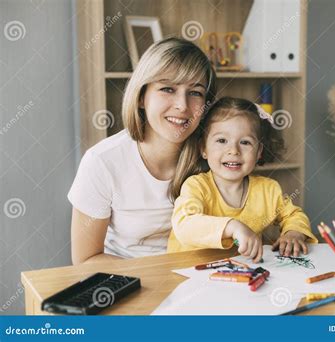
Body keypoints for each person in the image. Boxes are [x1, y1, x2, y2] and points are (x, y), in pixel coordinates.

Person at [68, 38, 216, 264]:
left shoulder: (213, 156)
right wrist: (159, 277)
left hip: (198, 279)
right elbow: (85, 259)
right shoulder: (102, 161)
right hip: (125, 281)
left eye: (195, 92)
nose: (183, 106)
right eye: (167, 89)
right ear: (140, 97)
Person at [168, 97, 317, 262]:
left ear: (259, 151)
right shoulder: (196, 186)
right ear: (203, 148)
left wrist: (293, 233)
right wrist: (231, 227)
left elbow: (294, 215)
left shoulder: (268, 189)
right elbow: (185, 224)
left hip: (238, 271)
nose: (233, 150)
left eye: (245, 142)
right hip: (188, 269)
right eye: (222, 140)